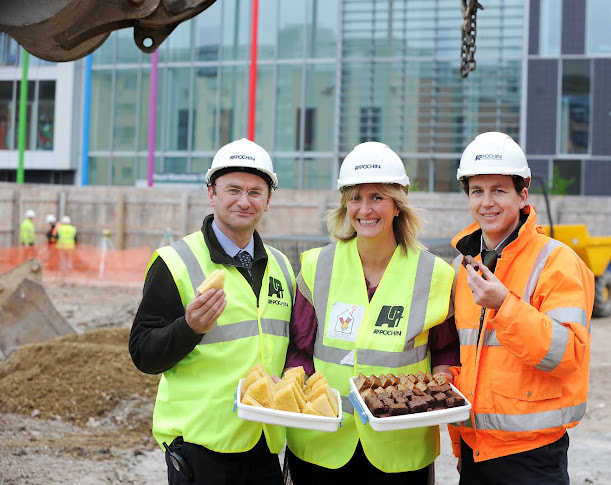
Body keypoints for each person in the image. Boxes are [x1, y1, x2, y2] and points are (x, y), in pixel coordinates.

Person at [284, 141, 458, 485]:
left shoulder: (435, 274)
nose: (365, 209)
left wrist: (440, 386)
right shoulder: (318, 266)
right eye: (355, 197)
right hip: (322, 446)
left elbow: (446, 351)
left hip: (400, 448)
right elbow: (298, 350)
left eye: (377, 197)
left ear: (398, 204)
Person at [129, 138, 295, 485]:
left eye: (255, 192)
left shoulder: (281, 267)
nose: (243, 201)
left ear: (268, 200)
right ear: (212, 193)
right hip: (200, 448)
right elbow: (144, 353)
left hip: (264, 444)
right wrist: (188, 328)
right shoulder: (175, 262)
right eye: (233, 189)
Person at [447, 132, 595, 484]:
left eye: (499, 190)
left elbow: (569, 353)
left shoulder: (557, 262)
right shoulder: (463, 267)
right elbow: (464, 361)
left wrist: (504, 306)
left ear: (522, 194)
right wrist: (458, 445)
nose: (487, 202)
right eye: (477, 191)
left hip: (533, 457)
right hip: (474, 452)